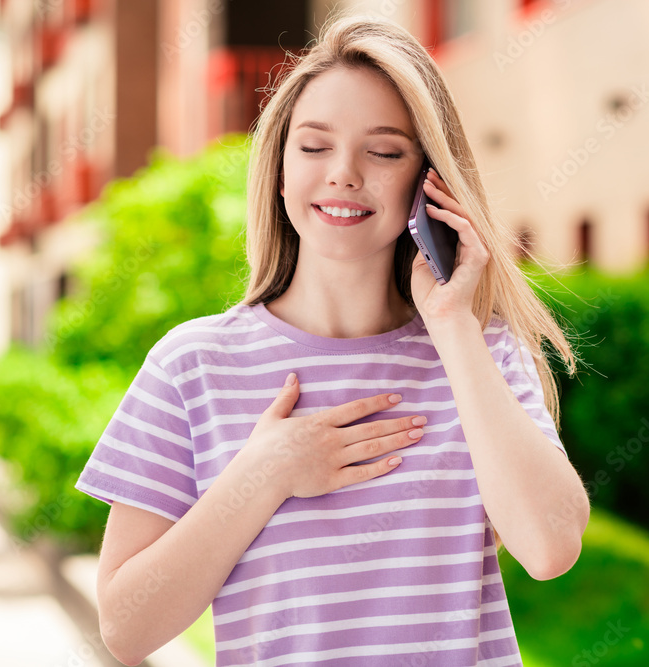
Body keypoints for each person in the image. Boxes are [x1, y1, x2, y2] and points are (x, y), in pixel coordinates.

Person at [74, 12, 589, 667]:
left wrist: (455, 327)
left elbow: (550, 548)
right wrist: (266, 472)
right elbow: (126, 627)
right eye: (314, 147)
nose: (344, 173)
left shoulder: (479, 352)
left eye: (385, 150)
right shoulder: (191, 366)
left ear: (428, 182)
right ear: (281, 169)